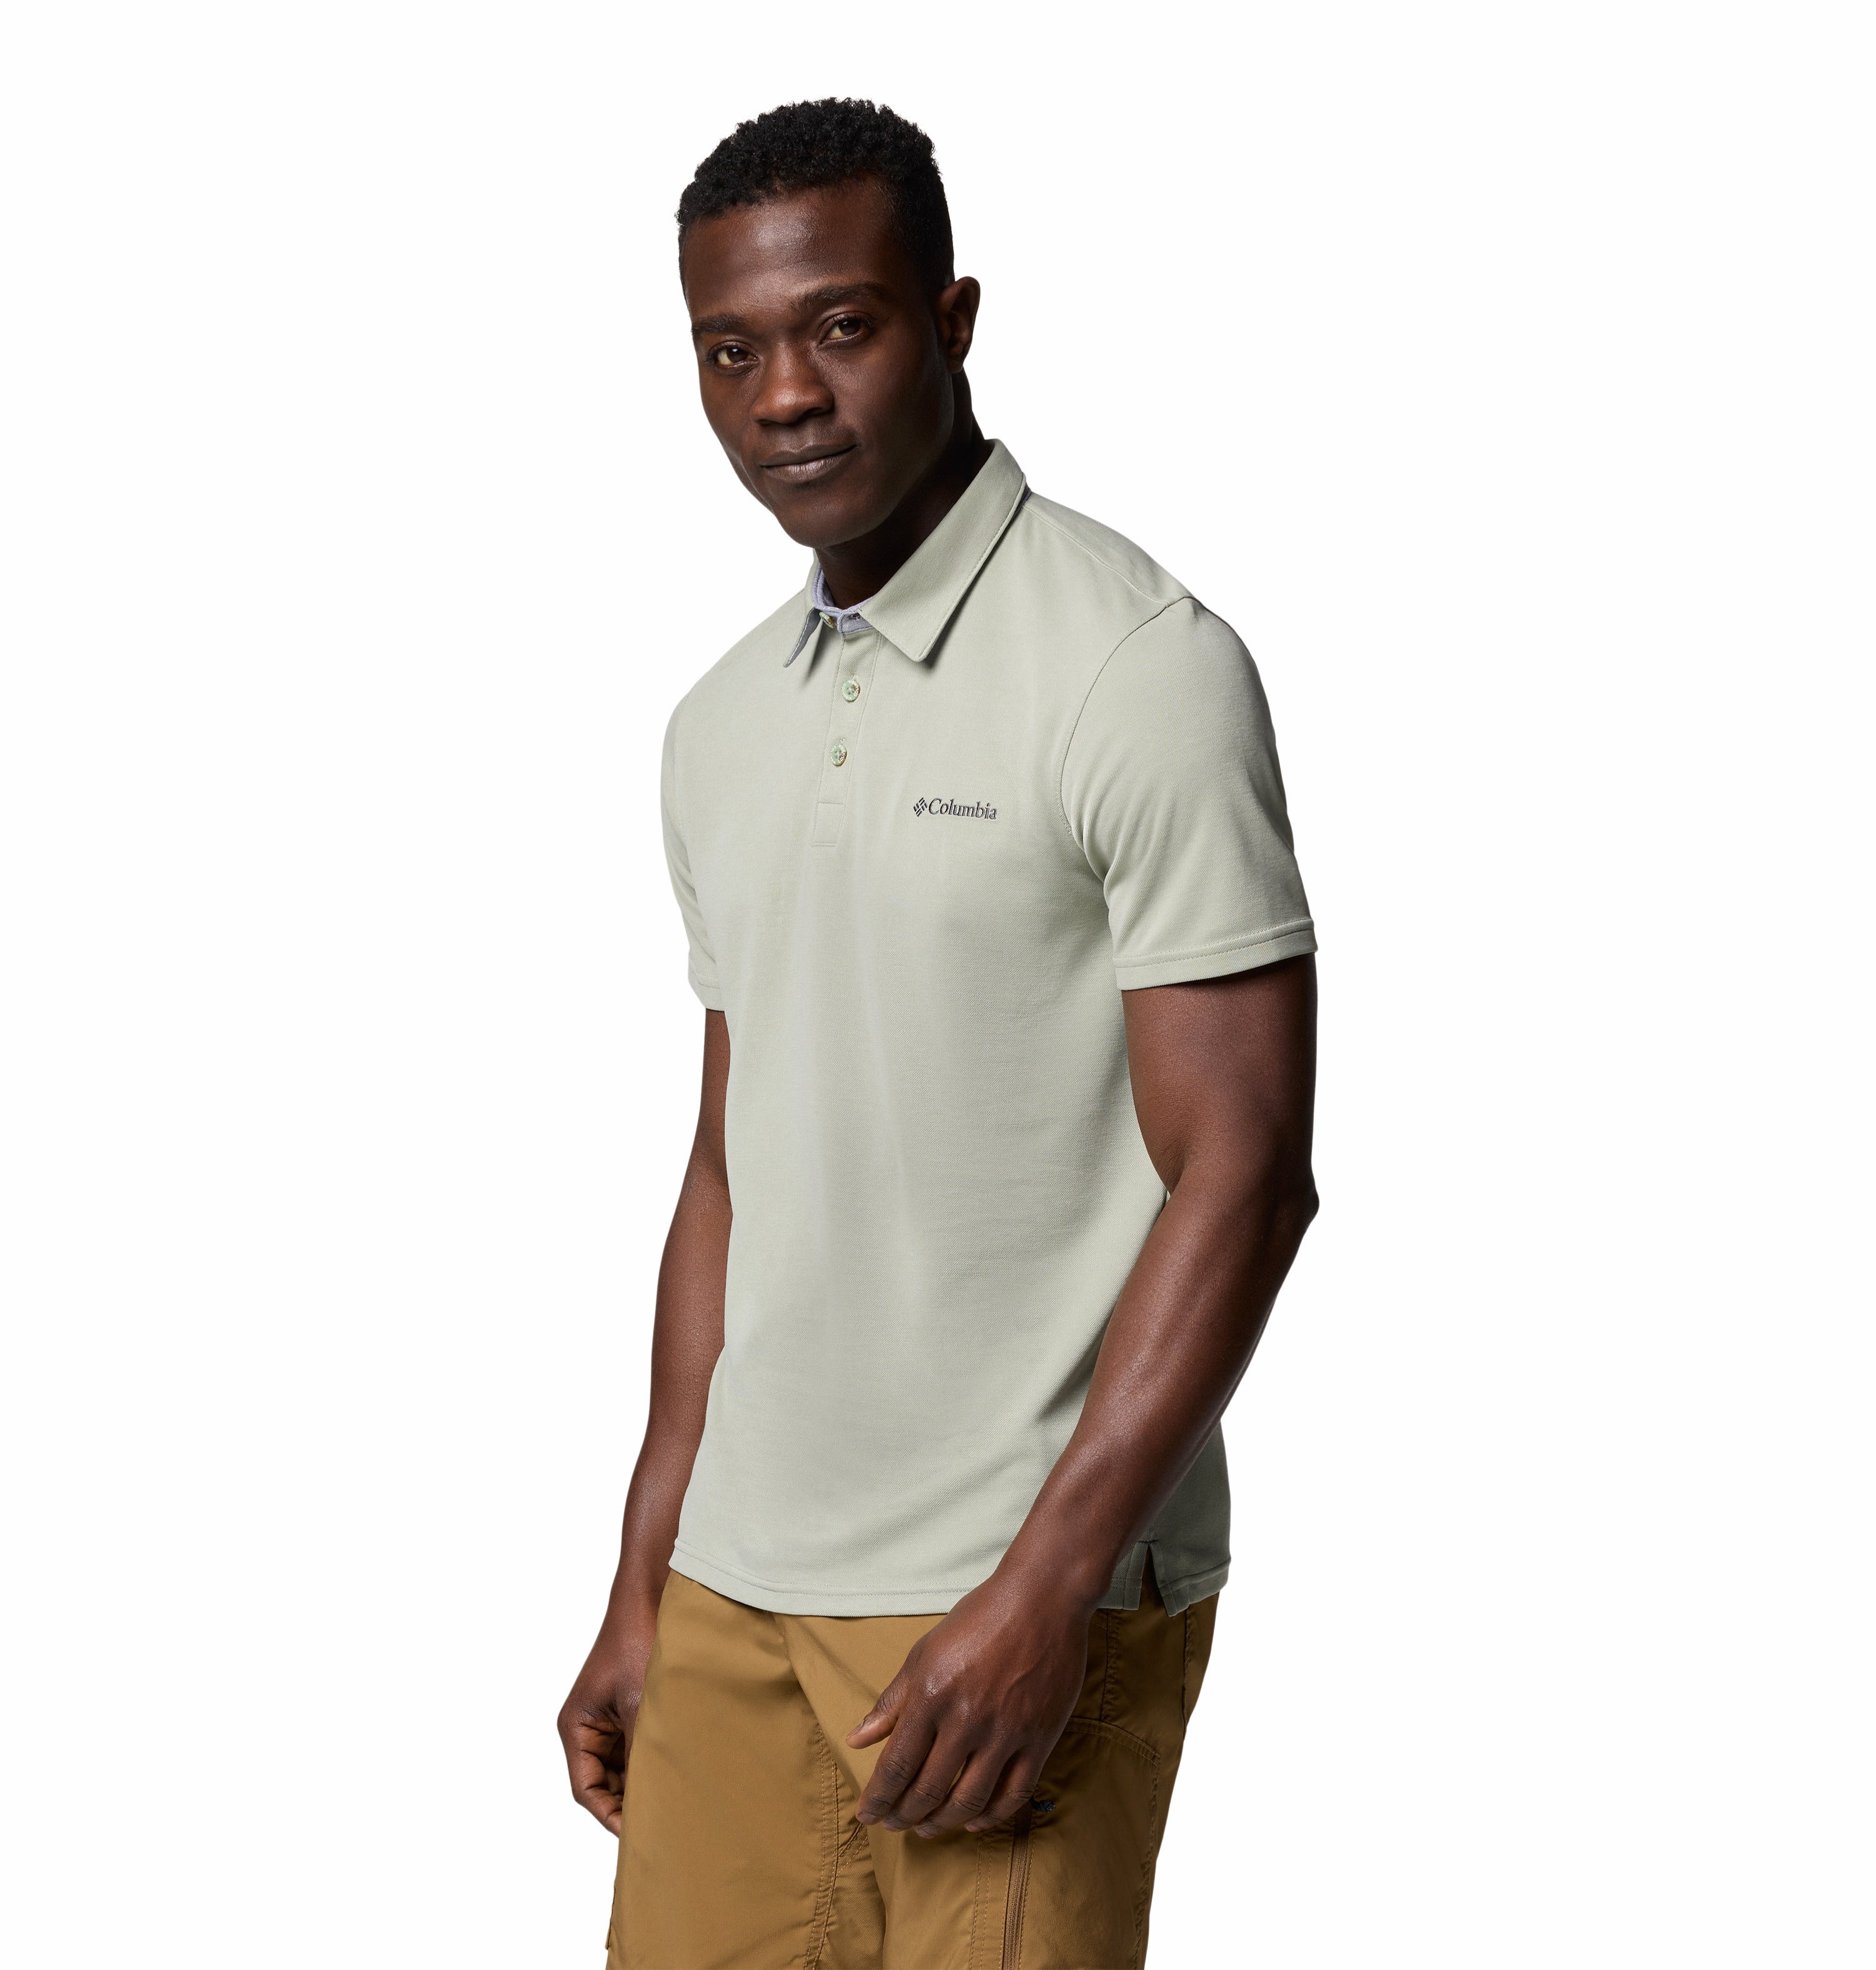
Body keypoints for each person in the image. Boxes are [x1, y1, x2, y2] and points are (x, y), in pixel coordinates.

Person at [558, 97, 1319, 1970]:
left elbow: (1245, 1172)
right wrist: (649, 1576)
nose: (783, 397)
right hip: (740, 1593)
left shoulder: (1136, 668)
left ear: (955, 317)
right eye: (729, 351)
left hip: (1012, 1595)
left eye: (843, 325)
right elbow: (732, 1167)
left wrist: (1053, 1588)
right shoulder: (719, 724)